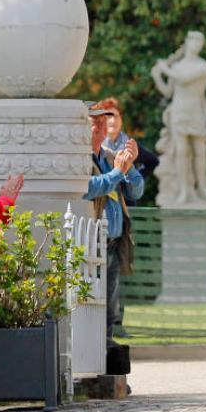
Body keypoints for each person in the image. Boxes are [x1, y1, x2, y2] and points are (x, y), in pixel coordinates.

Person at [84, 106, 144, 346]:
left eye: (103, 121)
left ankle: (106, 355)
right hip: (91, 246)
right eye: (94, 122)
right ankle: (94, 354)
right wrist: (119, 170)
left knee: (110, 307)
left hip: (113, 243)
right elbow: (91, 187)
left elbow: (137, 191)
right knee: (92, 304)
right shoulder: (77, 159)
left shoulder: (109, 156)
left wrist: (130, 165)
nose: (100, 126)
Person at [151, 31, 206, 208]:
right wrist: (157, 76)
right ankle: (183, 190)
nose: (196, 45)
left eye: (199, 42)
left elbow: (184, 79)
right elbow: (168, 92)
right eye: (193, 41)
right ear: (187, 42)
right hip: (179, 111)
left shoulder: (203, 67)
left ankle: (202, 187)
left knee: (199, 150)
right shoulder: (178, 66)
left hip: (196, 111)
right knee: (181, 151)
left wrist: (165, 69)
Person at [93, 97, 160, 191]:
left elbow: (153, 161)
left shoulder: (130, 145)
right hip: (103, 200)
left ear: (121, 119)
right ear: (100, 121)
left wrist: (136, 177)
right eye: (108, 116)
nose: (113, 121)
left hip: (127, 202)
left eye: (116, 116)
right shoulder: (96, 146)